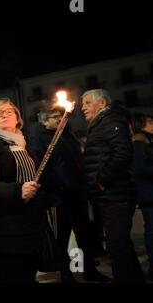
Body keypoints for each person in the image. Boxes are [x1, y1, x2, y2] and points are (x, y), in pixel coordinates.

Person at [31, 106, 110, 283]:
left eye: (61, 116)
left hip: (77, 195)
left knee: (84, 235)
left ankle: (89, 269)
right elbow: (41, 169)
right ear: (44, 121)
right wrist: (56, 185)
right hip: (58, 197)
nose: (59, 119)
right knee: (62, 239)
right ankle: (66, 274)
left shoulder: (68, 136)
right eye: (54, 117)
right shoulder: (39, 141)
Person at [0, 98, 48, 283]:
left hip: (30, 222)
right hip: (4, 225)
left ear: (18, 117)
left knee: (27, 273)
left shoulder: (25, 145)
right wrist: (18, 191)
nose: (5, 115)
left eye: (9, 111)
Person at [81, 88, 144, 283]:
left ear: (102, 103)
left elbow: (122, 153)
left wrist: (102, 180)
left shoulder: (110, 121)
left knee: (116, 245)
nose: (83, 108)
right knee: (121, 244)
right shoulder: (102, 123)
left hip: (115, 193)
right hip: (110, 194)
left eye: (87, 103)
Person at [131, 113, 153, 279]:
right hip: (148, 194)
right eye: (151, 122)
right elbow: (140, 168)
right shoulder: (140, 141)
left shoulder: (146, 140)